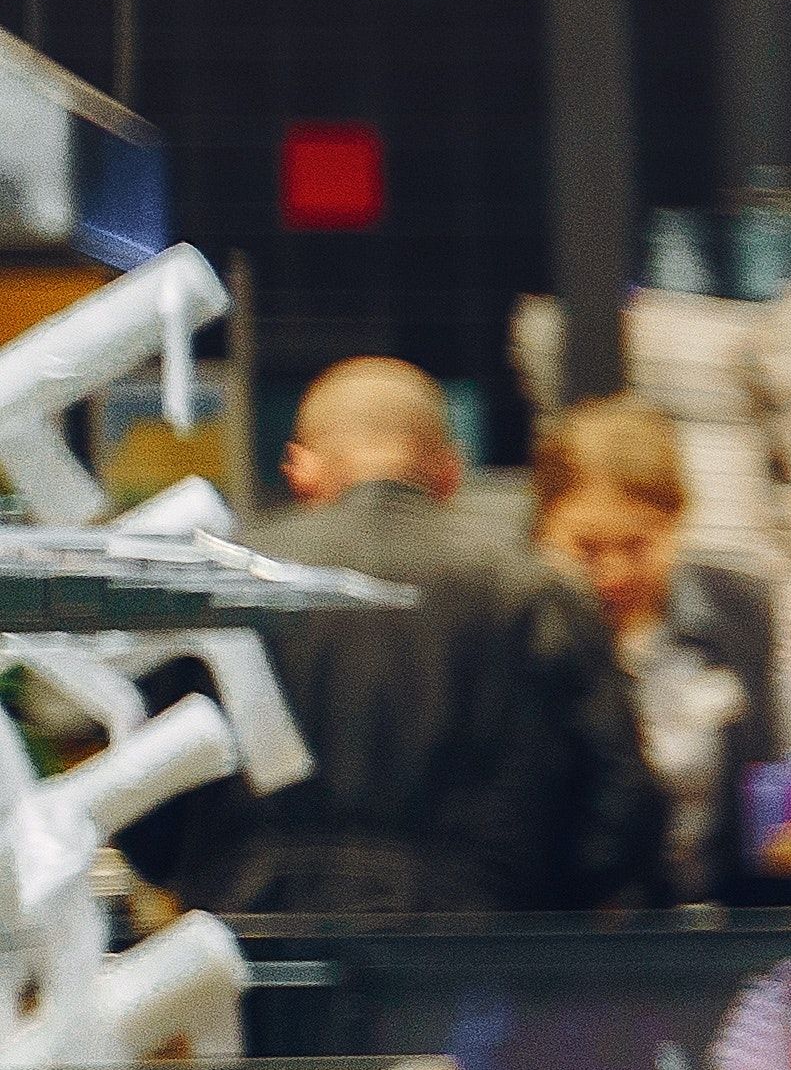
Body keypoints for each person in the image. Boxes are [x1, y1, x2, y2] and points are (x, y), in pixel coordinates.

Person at [135, 357, 667, 915]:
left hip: (258, 953)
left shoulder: (217, 586)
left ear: (301, 470)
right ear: (449, 472)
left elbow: (146, 808)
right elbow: (619, 813)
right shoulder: (536, 593)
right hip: (478, 963)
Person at [529, 392, 755, 897]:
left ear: (678, 521)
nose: (613, 572)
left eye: (637, 546)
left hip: (718, 914)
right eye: (586, 549)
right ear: (543, 530)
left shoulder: (737, 609)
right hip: (568, 923)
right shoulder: (515, 626)